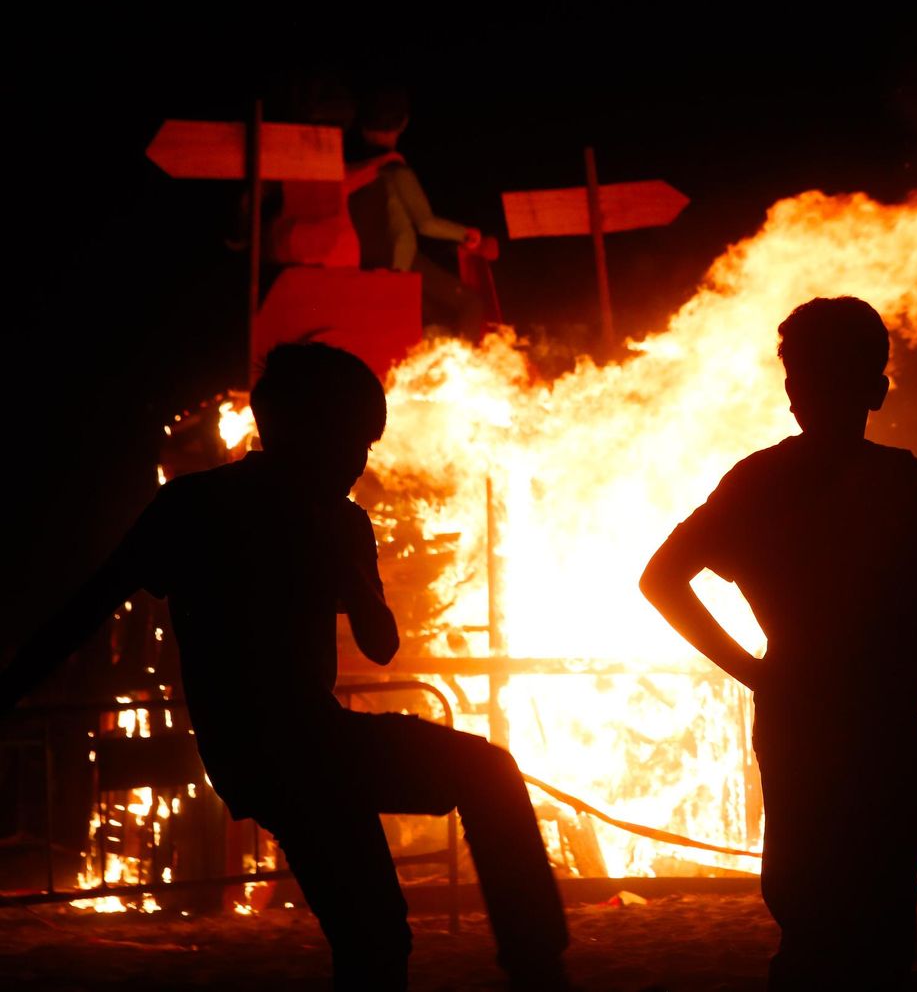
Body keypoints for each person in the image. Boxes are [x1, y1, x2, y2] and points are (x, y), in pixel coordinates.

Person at [0, 343, 569, 991]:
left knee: (383, 925)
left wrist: (351, 570)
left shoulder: (344, 523)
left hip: (320, 744)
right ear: (293, 429)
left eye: (365, 446)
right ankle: (539, 971)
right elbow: (89, 607)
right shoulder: (196, 508)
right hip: (268, 754)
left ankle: (537, 966)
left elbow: (381, 644)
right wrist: (10, 692)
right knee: (393, 905)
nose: (357, 463)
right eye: (347, 442)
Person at [640, 297, 917, 989]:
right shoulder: (894, 477)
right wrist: (758, 675)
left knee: (818, 915)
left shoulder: (771, 480)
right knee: (871, 920)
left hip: (816, 718)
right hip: (871, 721)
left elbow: (663, 577)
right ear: (878, 388)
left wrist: (757, 673)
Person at [346, 87, 487, 338]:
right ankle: (467, 360)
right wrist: (466, 234)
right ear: (404, 123)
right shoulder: (395, 171)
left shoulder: (349, 171)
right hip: (401, 263)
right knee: (471, 304)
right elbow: (426, 224)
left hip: (362, 264)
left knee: (433, 313)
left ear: (362, 126)